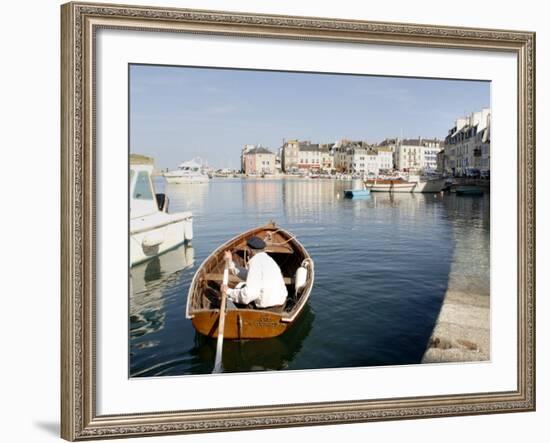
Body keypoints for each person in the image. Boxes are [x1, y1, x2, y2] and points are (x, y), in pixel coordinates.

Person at [220, 236, 288, 309]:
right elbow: (249, 275)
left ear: (249, 251)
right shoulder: (268, 259)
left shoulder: (255, 262)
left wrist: (228, 291)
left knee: (232, 297)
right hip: (281, 305)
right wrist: (230, 263)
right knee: (241, 290)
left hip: (267, 309)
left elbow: (248, 295)